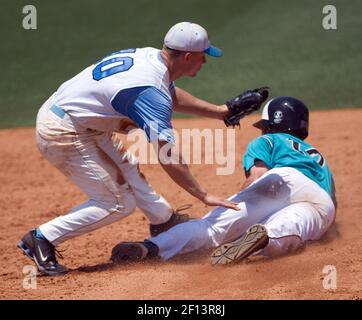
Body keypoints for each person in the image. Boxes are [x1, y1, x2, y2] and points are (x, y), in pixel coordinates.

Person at [18, 21, 246, 276]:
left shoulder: (152, 58)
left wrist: (219, 112)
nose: (204, 62)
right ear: (188, 56)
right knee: (118, 202)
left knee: (129, 169)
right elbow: (167, 155)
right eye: (203, 56)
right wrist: (202, 195)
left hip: (82, 119)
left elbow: (169, 93)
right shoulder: (148, 91)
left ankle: (163, 221)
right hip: (64, 131)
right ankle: (42, 237)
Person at [111, 96, 337, 265]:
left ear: (269, 125)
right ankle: (266, 238)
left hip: (283, 179)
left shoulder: (270, 139)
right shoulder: (319, 158)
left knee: (211, 228)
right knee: (291, 225)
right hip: (323, 203)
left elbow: (258, 174)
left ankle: (149, 248)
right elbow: (331, 204)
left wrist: (241, 203)